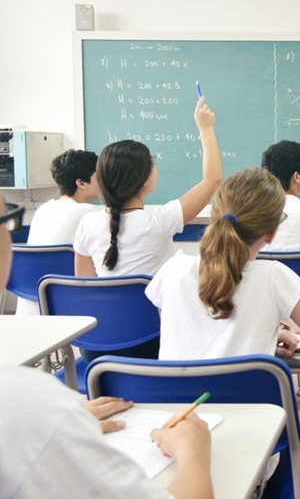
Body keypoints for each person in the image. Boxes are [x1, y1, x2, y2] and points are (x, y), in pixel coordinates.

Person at [0, 195, 214, 499]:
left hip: (94, 358)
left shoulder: (30, 412)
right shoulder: (23, 405)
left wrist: (58, 425)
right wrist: (194, 452)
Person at [145, 167, 300, 363]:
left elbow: (189, 336)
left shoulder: (173, 269)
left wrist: (262, 338)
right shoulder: (273, 277)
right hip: (246, 392)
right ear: (271, 234)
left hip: (175, 392)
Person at [74, 96, 223, 277]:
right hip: (154, 298)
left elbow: (85, 285)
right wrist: (206, 128)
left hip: (104, 299)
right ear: (144, 179)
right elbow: (212, 180)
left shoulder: (87, 223)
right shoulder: (160, 221)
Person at [16, 149, 101, 315]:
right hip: (70, 308)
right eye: (100, 177)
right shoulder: (91, 213)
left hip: (31, 308)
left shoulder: (43, 209)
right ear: (81, 183)